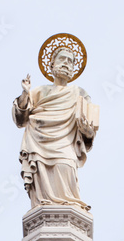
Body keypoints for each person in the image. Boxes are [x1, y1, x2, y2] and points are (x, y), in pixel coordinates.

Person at [13, 46, 96, 210]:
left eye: (70, 61)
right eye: (62, 59)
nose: (66, 63)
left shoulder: (80, 94)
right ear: (51, 65)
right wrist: (25, 94)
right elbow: (20, 118)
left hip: (66, 143)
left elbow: (90, 126)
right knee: (43, 189)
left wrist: (88, 132)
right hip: (39, 144)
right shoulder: (39, 92)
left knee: (66, 171)